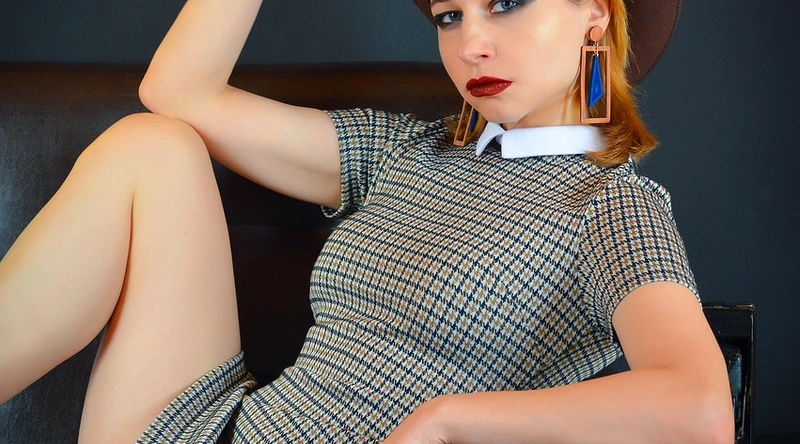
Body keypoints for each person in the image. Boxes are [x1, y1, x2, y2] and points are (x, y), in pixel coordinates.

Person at [0, 0, 735, 442]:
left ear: (596, 14)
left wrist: (451, 420)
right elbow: (177, 91)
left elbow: (699, 411)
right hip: (217, 427)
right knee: (151, 145)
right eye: (450, 15)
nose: (471, 44)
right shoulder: (407, 152)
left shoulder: (613, 205)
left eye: (507, 2)